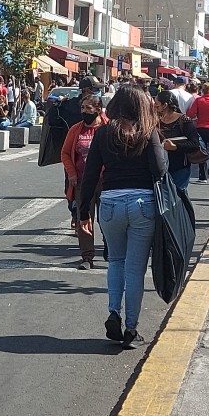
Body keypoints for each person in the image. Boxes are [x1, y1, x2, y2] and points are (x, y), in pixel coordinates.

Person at [79, 86, 167, 349]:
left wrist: (83, 209)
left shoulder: (104, 132)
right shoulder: (148, 131)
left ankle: (113, 312)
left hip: (110, 203)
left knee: (116, 261)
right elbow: (159, 170)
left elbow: (91, 173)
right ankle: (131, 329)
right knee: (135, 269)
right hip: (142, 204)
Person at [62, 95, 108, 269]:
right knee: (84, 218)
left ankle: (110, 249)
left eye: (88, 108)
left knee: (107, 219)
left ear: (97, 109)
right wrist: (72, 173)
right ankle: (87, 257)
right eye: (82, 108)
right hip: (82, 182)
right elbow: (65, 153)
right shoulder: (75, 129)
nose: (84, 112)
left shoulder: (108, 127)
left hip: (105, 182)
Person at [155, 91, 201, 192]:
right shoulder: (156, 121)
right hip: (160, 168)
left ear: (165, 105)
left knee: (178, 198)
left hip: (179, 167)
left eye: (157, 106)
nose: (155, 108)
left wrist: (175, 147)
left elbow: (195, 144)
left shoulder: (184, 120)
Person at [188, 82, 209, 184]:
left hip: (201, 128)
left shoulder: (199, 100)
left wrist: (197, 116)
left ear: (202, 89)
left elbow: (190, 114)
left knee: (202, 151)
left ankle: (202, 175)